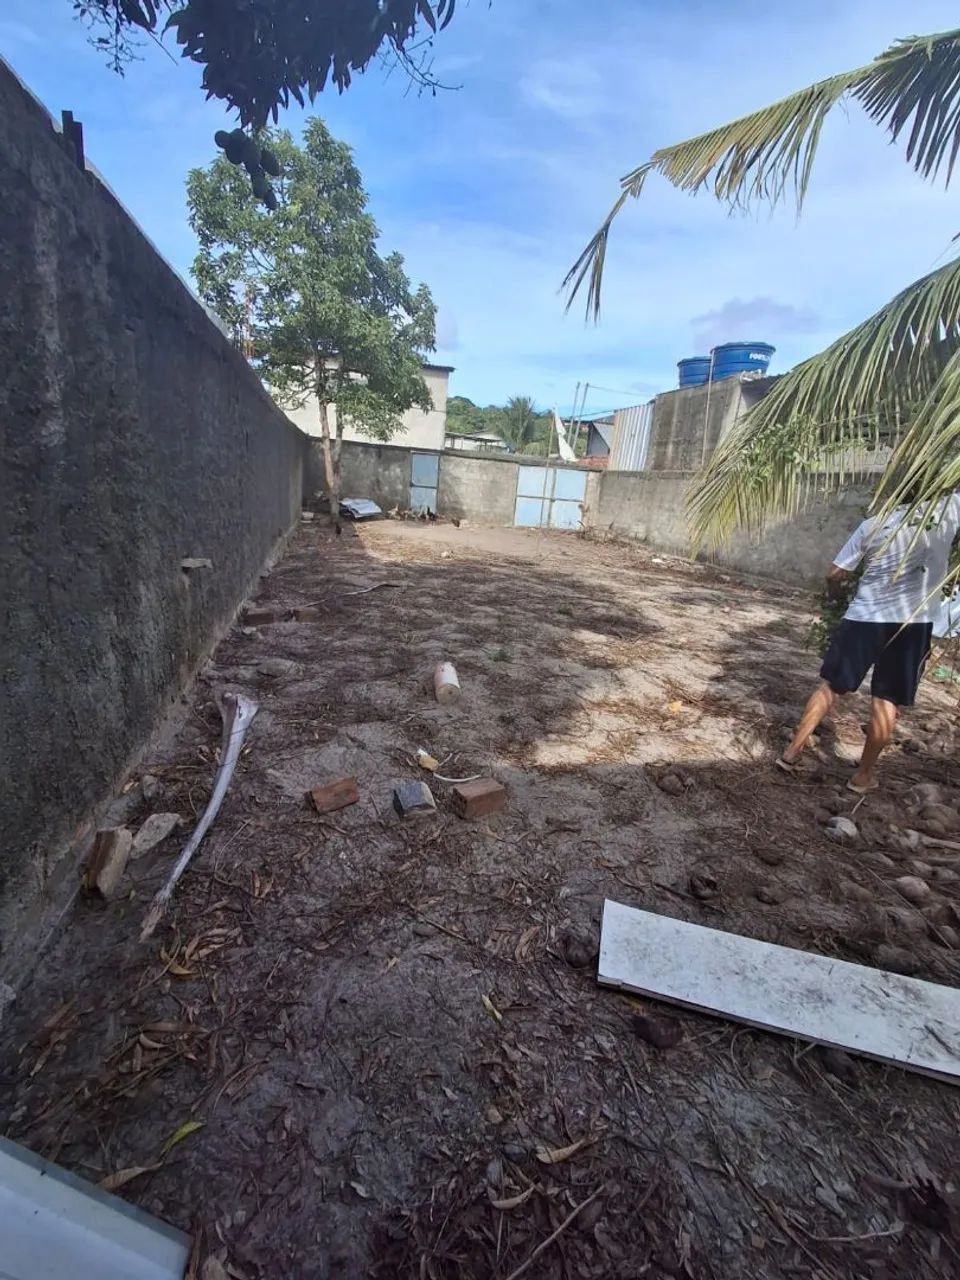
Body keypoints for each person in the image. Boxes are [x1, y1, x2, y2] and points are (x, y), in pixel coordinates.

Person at [778, 490, 960, 794]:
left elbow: (835, 574)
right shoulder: (949, 512)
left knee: (832, 686)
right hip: (912, 625)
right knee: (886, 699)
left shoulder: (874, 524)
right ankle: (862, 776)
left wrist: (836, 597)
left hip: (863, 618)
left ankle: (791, 752)